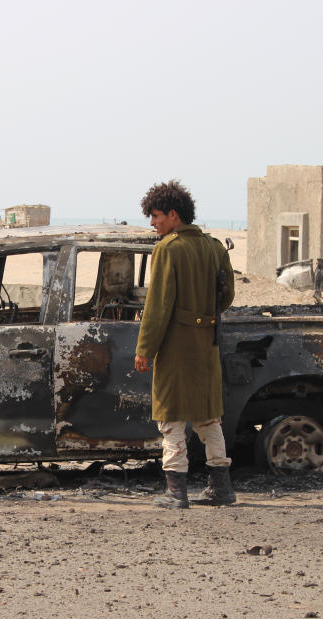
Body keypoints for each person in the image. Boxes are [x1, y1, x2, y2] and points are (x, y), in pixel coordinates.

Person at [133, 180, 235, 509]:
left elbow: (158, 307)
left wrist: (144, 349)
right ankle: (221, 489)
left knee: (171, 417)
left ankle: (176, 491)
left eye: (156, 216)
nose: (153, 223)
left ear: (173, 215)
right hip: (207, 346)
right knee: (208, 417)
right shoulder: (215, 247)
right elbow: (228, 296)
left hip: (176, 347)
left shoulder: (168, 249)